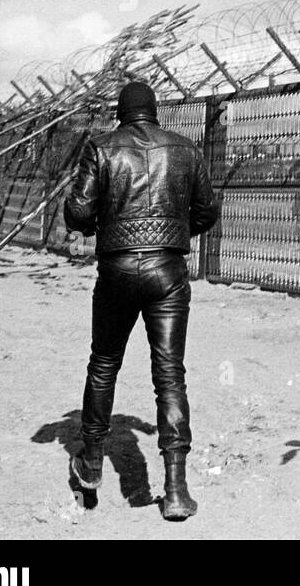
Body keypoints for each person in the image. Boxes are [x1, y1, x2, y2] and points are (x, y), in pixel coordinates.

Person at [63, 81, 219, 521]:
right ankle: (174, 489)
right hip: (167, 273)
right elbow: (207, 211)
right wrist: (170, 235)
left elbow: (77, 213)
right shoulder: (185, 149)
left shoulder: (101, 147)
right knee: (170, 375)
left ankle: (91, 464)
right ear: (154, 112)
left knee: (104, 364)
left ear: (121, 113)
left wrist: (104, 225)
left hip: (115, 270)